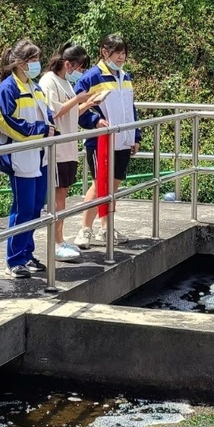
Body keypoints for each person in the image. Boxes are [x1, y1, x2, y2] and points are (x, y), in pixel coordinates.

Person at [0, 39, 54, 279]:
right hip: (20, 155)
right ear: (19, 62)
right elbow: (7, 123)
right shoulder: (8, 88)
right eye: (32, 59)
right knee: (23, 207)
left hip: (40, 154)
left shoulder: (35, 86)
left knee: (36, 206)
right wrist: (39, 129)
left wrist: (48, 126)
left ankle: (27, 253)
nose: (37, 64)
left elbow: (47, 113)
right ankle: (14, 259)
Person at [74, 34, 141, 247]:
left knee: (113, 185)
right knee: (98, 184)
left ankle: (106, 227)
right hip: (99, 141)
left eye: (123, 53)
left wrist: (135, 135)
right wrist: (95, 120)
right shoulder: (92, 77)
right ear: (105, 52)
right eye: (117, 53)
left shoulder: (125, 76)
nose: (121, 57)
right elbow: (77, 108)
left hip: (123, 138)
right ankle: (85, 229)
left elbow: (130, 108)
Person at [39, 43, 93, 261]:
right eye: (79, 67)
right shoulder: (48, 80)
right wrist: (78, 99)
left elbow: (70, 113)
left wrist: (88, 104)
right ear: (68, 63)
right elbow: (54, 111)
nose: (79, 72)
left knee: (63, 194)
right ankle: (56, 242)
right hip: (57, 149)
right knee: (57, 197)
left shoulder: (64, 82)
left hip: (69, 147)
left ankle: (60, 239)